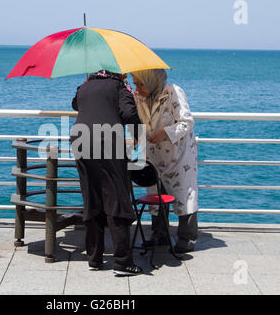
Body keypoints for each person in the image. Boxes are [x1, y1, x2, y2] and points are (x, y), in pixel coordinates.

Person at [70, 70, 143, 276]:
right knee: (117, 198)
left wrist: (87, 83)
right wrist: (138, 135)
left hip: (80, 141)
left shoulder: (84, 86)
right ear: (118, 72)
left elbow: (76, 104)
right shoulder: (119, 87)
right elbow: (128, 113)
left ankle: (94, 258)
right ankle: (122, 262)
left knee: (92, 198)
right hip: (107, 143)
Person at [130, 69, 198, 253]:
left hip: (178, 153)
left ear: (152, 81)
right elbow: (137, 122)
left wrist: (165, 133)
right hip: (152, 152)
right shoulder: (139, 96)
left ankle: (187, 238)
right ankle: (159, 234)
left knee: (184, 193)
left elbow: (186, 122)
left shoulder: (174, 92)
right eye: (135, 83)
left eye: (140, 83)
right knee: (155, 192)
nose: (137, 88)